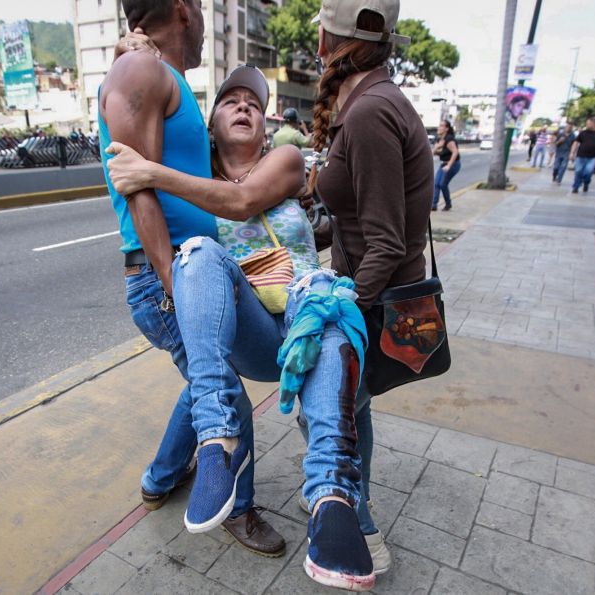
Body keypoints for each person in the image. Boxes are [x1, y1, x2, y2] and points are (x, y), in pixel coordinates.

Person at [107, 40, 383, 593]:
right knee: (199, 254)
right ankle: (218, 439)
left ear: (265, 126)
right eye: (230, 100)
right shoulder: (200, 169)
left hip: (308, 318)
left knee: (322, 294)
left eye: (253, 105)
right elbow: (146, 106)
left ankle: (331, 496)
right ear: (211, 126)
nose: (242, 107)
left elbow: (239, 202)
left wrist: (150, 172)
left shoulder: (282, 160)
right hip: (256, 329)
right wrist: (135, 47)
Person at [98, 1, 287, 560]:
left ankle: (159, 479)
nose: (205, 21)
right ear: (183, 9)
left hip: (190, 270)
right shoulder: (141, 71)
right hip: (170, 276)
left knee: (204, 380)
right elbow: (138, 187)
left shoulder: (158, 72)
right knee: (222, 391)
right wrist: (173, 286)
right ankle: (240, 508)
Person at [308, 0, 431, 587]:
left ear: (333, 41)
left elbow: (386, 241)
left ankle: (358, 528)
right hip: (366, 286)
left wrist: (338, 312)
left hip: (368, 296)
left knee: (330, 414)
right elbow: (367, 219)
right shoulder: (373, 100)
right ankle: (356, 511)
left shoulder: (369, 112)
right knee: (350, 412)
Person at [570, 116, 595, 193]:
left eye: (589, 123)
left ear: (594, 124)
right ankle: (576, 187)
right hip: (580, 155)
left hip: (593, 157)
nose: (587, 125)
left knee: (588, 172)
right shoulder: (583, 133)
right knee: (578, 171)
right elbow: (576, 142)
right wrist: (572, 153)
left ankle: (586, 182)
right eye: (586, 123)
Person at [431, 119, 460, 211]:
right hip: (443, 164)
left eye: (442, 126)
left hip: (453, 164)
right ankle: (434, 205)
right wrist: (437, 147)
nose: (439, 128)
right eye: (439, 125)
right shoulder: (439, 140)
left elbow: (455, 152)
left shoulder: (449, 139)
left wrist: (449, 166)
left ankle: (448, 204)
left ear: (446, 128)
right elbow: (433, 153)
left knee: (443, 184)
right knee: (436, 183)